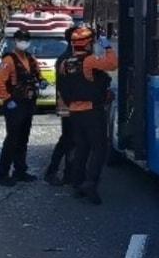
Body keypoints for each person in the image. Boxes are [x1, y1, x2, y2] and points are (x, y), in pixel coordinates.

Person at [56, 25, 118, 204]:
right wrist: (107, 47)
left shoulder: (64, 64)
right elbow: (113, 64)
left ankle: (77, 183)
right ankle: (90, 182)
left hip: (74, 112)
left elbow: (63, 87)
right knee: (99, 148)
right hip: (92, 111)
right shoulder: (89, 61)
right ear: (88, 43)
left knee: (82, 148)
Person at [0, 32, 40, 186]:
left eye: (26, 40)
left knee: (23, 139)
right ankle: (3, 174)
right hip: (15, 104)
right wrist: (7, 99)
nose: (23, 43)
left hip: (28, 103)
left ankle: (20, 171)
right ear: (15, 41)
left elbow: (38, 75)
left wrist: (41, 82)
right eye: (21, 40)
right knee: (12, 140)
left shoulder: (31, 59)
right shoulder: (9, 60)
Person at [43, 26, 76, 185]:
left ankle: (67, 172)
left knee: (69, 140)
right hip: (70, 106)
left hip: (66, 105)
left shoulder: (65, 56)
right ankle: (53, 171)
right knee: (68, 140)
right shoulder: (69, 58)